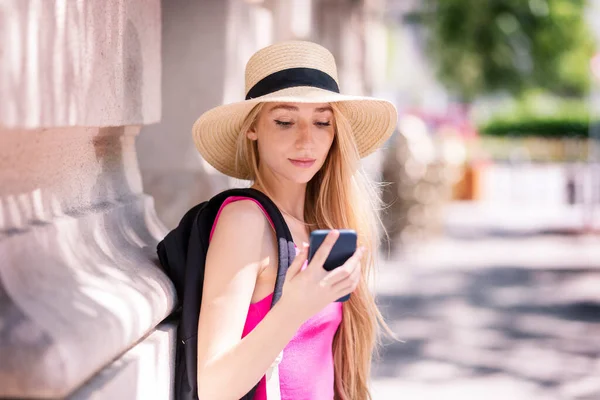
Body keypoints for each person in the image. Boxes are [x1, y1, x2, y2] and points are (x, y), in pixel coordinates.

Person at [191, 40, 397, 400]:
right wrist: (296, 305)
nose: (307, 141)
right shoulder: (245, 221)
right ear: (252, 128)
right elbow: (213, 388)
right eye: (285, 121)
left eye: (322, 122)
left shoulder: (323, 223)